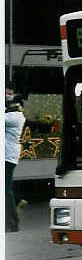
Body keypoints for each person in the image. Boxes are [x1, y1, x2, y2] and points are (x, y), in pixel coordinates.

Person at [5, 86, 26, 232]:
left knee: (6, 190)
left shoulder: (15, 117)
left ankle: (12, 223)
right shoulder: (12, 115)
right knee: (7, 189)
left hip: (7, 156)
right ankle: (11, 222)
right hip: (8, 156)